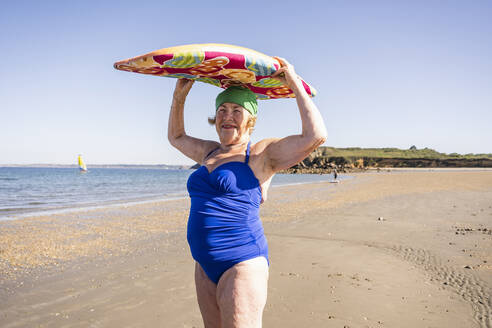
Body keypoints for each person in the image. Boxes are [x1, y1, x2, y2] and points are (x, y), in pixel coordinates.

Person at [168, 57, 327, 328]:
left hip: (241, 262)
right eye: (222, 110)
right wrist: (179, 96)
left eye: (237, 111)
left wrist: (292, 81)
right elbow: (177, 137)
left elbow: (315, 136)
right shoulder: (209, 151)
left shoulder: (260, 154)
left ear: (250, 119)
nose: (227, 117)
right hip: (204, 264)